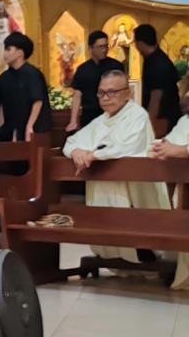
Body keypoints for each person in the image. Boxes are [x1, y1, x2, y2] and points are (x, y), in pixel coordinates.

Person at [63, 70, 183, 287]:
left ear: (128, 93)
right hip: (105, 185)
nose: (105, 98)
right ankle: (113, 255)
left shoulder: (137, 116)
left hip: (134, 186)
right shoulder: (100, 121)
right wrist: (77, 152)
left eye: (112, 92)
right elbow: (71, 142)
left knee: (135, 227)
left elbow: (126, 147)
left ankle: (145, 254)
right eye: (101, 93)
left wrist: (93, 155)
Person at [0, 32, 50, 143]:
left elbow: (38, 101)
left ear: (20, 53)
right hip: (10, 129)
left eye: (8, 49)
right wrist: (2, 127)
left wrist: (29, 126)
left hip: (33, 128)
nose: (4, 53)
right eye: (5, 49)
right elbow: (2, 104)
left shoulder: (32, 74)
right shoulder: (3, 78)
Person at [67, 31, 124, 132]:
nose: (104, 50)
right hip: (89, 117)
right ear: (91, 48)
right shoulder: (83, 69)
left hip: (112, 116)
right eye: (100, 46)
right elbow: (77, 95)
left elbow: (123, 92)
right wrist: (73, 121)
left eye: (106, 46)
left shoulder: (116, 66)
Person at [134, 24, 181, 133]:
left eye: (135, 42)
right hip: (161, 118)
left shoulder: (158, 64)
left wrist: (148, 126)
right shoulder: (152, 58)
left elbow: (156, 97)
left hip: (162, 120)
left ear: (140, 43)